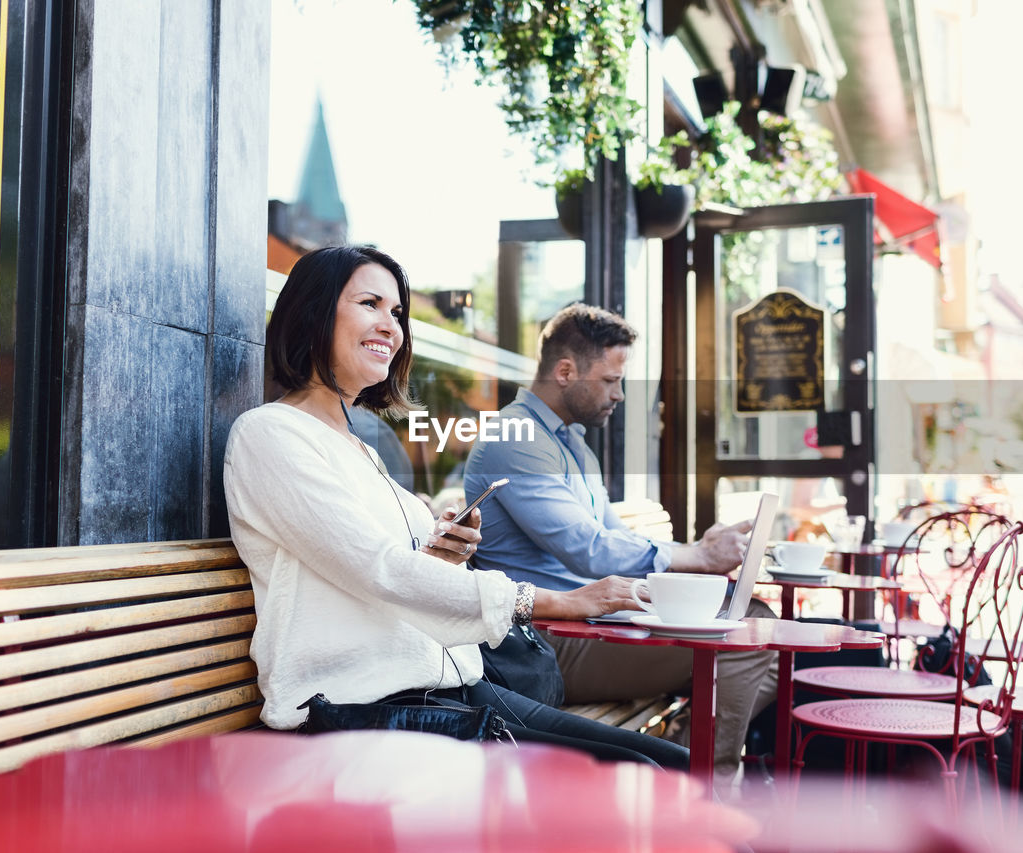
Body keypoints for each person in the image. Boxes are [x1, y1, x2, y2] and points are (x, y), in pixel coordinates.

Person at [223, 246, 686, 769]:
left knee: (676, 765)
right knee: (646, 778)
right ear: (313, 311)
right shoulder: (270, 434)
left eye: (396, 313)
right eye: (370, 304)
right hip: (365, 712)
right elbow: (379, 570)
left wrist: (441, 551)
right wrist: (560, 601)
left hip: (455, 691)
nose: (390, 326)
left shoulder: (361, 448)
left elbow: (387, 572)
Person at [463, 303, 778, 785]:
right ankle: (705, 787)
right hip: (546, 639)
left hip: (596, 621)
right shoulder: (515, 437)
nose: (620, 394)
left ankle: (681, 758)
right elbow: (586, 550)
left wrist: (697, 552)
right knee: (744, 636)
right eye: (611, 380)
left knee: (758, 623)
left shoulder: (572, 444)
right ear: (565, 371)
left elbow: (615, 537)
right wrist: (695, 557)